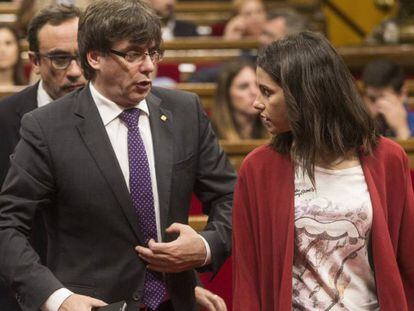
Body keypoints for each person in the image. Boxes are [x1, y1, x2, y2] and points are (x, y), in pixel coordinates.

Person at [0, 1, 236, 311]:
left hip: (175, 301)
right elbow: (8, 226)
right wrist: (57, 298)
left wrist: (205, 246)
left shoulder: (185, 112)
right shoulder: (47, 127)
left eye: (154, 52)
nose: (149, 66)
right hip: (93, 304)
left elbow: (232, 198)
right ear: (95, 57)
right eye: (134, 54)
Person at [233, 31, 414, 310]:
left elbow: (408, 261)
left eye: (267, 92)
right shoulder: (258, 169)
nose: (257, 102)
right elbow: (248, 276)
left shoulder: (388, 159)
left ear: (304, 95)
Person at [0, 5, 85, 311]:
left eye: (82, 54)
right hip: (20, 294)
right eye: (60, 58)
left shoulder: (116, 116)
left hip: (100, 291)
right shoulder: (4, 120)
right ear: (34, 61)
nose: (75, 70)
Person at [212, 59, 267, 140]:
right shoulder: (211, 133)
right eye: (243, 87)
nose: (254, 92)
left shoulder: (274, 130)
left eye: (257, 85)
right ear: (226, 94)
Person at [362, 59, 414, 140]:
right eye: (372, 99)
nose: (378, 107)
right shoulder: (357, 126)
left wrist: (401, 129)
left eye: (383, 98)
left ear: (402, 94)